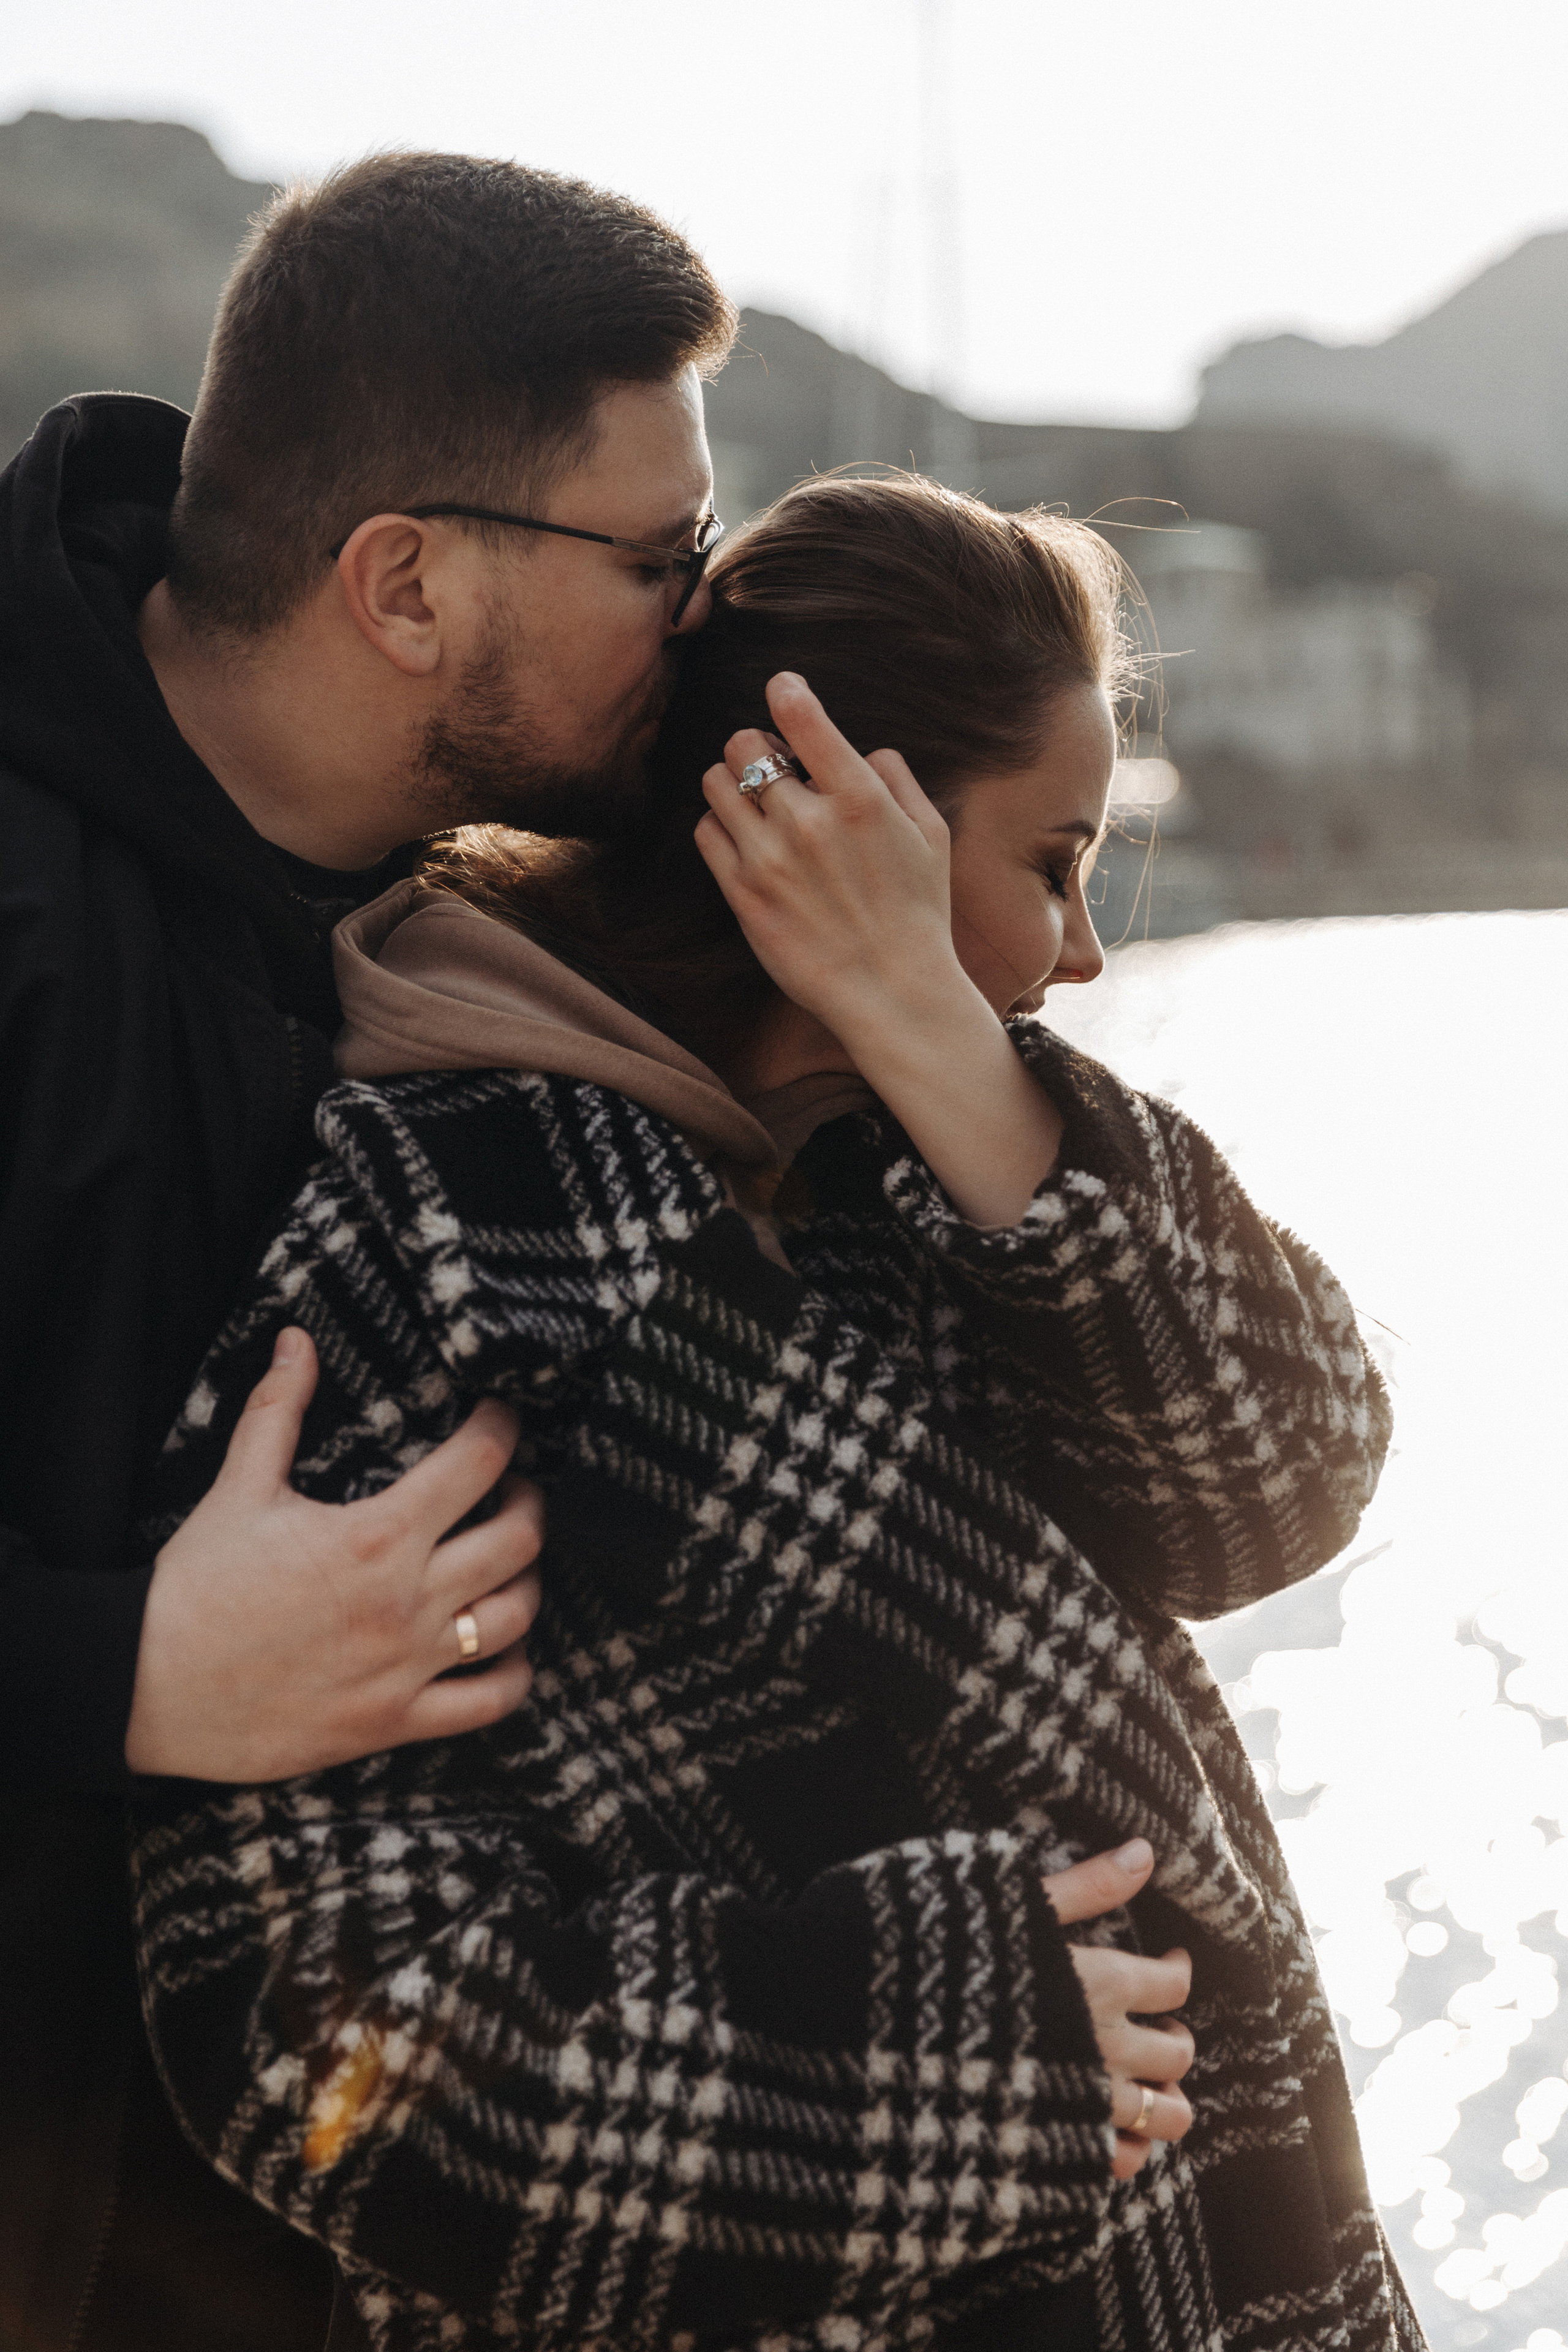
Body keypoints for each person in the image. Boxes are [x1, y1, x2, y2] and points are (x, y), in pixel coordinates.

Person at [131, 474, 1420, 2351]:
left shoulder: (931, 1170)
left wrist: (946, 1044)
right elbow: (310, 2020)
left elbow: (1279, 1484)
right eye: (1051, 863)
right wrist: (958, 2044)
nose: (1080, 954)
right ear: (831, 821)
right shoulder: (448, 1232)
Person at [0, 153, 737, 2347]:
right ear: (406, 585)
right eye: (660, 558)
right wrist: (120, 1672)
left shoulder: (489, 951)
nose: (700, 620)